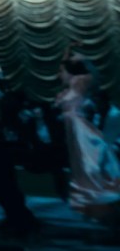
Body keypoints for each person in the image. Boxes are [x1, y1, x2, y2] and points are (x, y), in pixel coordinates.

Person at [55, 50, 120, 224]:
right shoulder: (69, 90)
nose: (60, 75)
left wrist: (77, 57)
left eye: (62, 71)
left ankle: (107, 215)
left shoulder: (81, 82)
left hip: (84, 135)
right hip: (75, 136)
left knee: (92, 171)